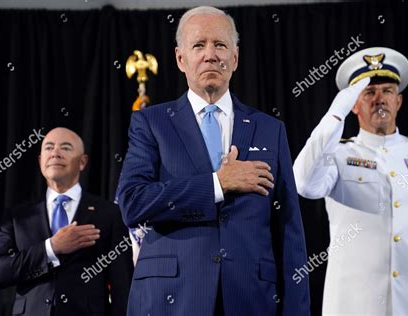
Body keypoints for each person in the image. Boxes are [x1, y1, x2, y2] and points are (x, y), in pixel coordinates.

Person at [116, 6, 310, 316]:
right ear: (181, 59)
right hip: (171, 298)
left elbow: (289, 230)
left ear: (235, 57)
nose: (210, 54)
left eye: (220, 45)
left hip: (251, 299)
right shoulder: (150, 123)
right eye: (199, 45)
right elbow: (132, 202)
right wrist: (217, 184)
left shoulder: (270, 130)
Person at [293, 47, 408, 315]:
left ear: (399, 101)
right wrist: (335, 114)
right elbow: (302, 182)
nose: (379, 99)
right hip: (355, 305)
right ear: (354, 105)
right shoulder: (337, 154)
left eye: (387, 91)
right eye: (369, 92)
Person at [0, 127, 133, 316]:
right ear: (41, 161)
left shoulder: (109, 213)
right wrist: (50, 248)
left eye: (65, 147)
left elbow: (123, 286)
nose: (55, 153)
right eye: (49, 148)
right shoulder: (18, 217)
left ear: (82, 162)